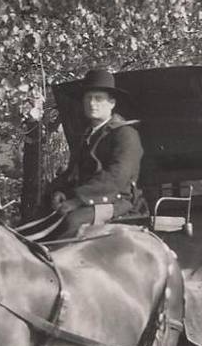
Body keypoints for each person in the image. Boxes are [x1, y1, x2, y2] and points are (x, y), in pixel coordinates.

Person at [21, 69, 143, 241]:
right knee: (31, 222)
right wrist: (58, 192)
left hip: (115, 202)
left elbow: (116, 178)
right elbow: (72, 173)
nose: (92, 103)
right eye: (88, 98)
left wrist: (77, 200)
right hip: (87, 200)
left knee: (71, 223)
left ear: (112, 103)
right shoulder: (87, 135)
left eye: (98, 98)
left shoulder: (125, 134)